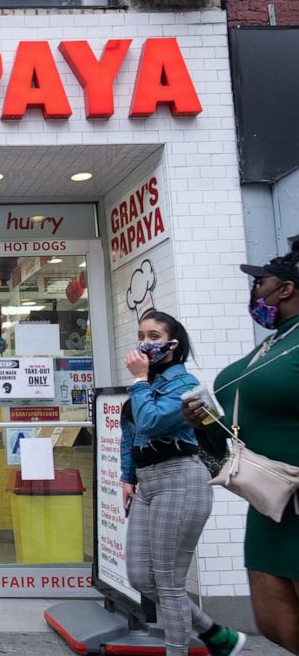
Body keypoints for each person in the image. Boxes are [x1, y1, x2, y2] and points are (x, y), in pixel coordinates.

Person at [184, 252, 299, 654]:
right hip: (270, 504)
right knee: (275, 624)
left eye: (259, 283)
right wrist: (205, 424)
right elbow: (224, 446)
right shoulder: (273, 342)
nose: (254, 291)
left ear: (285, 289)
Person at [121, 311, 245, 656]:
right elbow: (130, 432)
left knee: (169, 582)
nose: (146, 343)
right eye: (142, 335)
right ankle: (217, 635)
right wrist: (127, 477)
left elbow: (150, 422)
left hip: (180, 478)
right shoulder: (146, 382)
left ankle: (179, 650)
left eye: (155, 336)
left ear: (174, 344)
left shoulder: (184, 384)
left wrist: (140, 381)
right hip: (147, 483)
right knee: (140, 577)